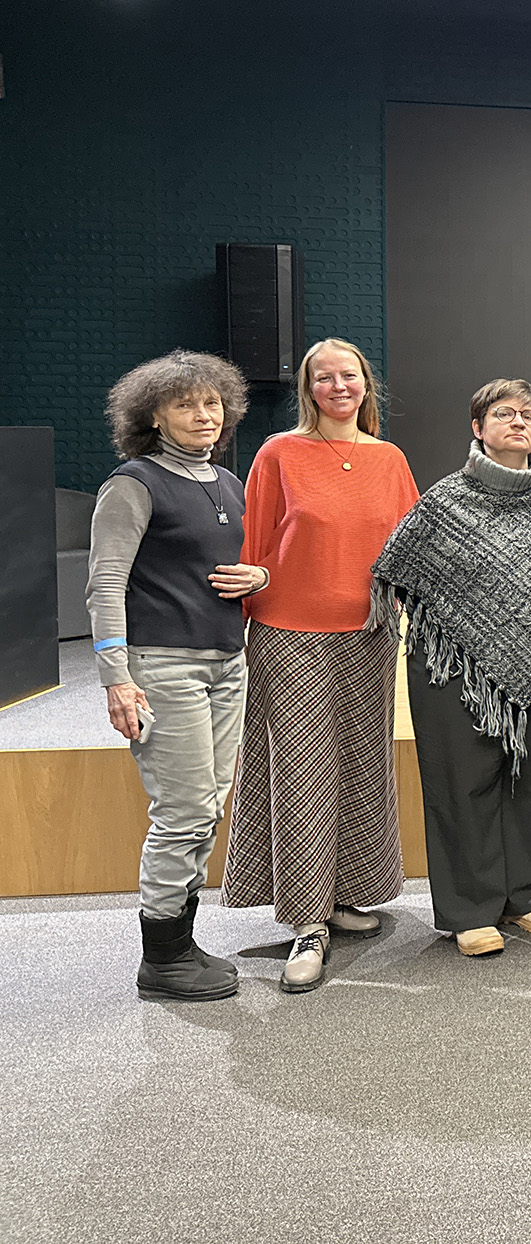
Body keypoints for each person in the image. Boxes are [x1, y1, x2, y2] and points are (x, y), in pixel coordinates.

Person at [222, 337, 419, 995]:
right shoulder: (279, 453)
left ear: (366, 384)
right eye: (324, 377)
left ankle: (341, 894)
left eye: (349, 375)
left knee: (361, 765)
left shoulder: (389, 458)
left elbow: (411, 547)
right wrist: (244, 603)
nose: (339, 386)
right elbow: (253, 544)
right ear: (308, 389)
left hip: (369, 635)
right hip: (290, 632)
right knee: (301, 773)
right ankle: (307, 923)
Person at [374, 379, 531, 957]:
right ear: (478, 427)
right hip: (454, 665)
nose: (519, 422)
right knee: (462, 783)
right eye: (504, 414)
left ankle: (527, 897)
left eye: (529, 414)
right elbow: (394, 571)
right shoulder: (445, 503)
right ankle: (470, 908)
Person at [89, 351, 264, 1001]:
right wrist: (116, 677)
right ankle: (161, 958)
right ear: (154, 416)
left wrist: (261, 575)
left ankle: (179, 941)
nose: (202, 414)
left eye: (211, 402)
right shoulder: (133, 483)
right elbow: (105, 583)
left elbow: (249, 562)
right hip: (162, 667)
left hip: (226, 663)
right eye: (184, 404)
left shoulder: (229, 483)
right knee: (183, 811)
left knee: (205, 809)